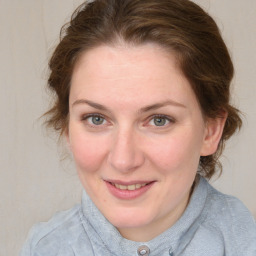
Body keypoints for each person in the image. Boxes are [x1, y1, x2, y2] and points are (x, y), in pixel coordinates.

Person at [20, 0, 256, 255]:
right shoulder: (43, 248)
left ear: (210, 131)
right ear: (66, 128)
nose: (123, 160)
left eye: (159, 120)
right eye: (96, 119)